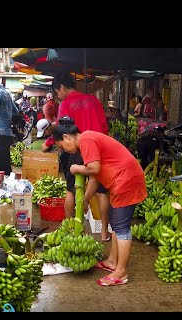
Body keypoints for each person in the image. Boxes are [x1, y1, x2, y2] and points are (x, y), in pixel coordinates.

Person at [53, 117, 147, 286]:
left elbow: (93, 169)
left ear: (67, 137)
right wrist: (86, 199)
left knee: (121, 228)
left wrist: (76, 168)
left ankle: (121, 272)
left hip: (126, 180)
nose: (65, 152)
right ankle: (112, 262)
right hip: (122, 180)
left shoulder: (87, 139)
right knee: (116, 224)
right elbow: (95, 177)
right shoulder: (87, 143)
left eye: (62, 147)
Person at [47, 72, 111, 242]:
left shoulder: (66, 104)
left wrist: (49, 143)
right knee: (103, 192)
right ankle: (104, 231)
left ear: (61, 87)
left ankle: (70, 228)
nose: (58, 96)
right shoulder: (94, 100)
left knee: (71, 190)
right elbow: (105, 127)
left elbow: (62, 132)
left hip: (77, 149)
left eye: (57, 92)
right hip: (98, 147)